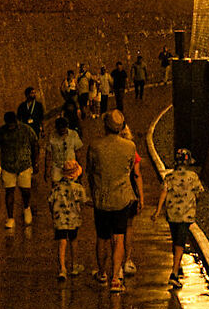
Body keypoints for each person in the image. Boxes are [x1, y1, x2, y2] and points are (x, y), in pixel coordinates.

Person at [87, 109, 142, 292]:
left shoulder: (95, 146)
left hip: (101, 198)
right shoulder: (130, 147)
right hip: (122, 198)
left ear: (105, 126)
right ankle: (116, 278)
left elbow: (90, 171)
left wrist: (94, 191)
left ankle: (102, 272)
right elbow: (130, 169)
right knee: (119, 237)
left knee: (102, 237)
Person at [44, 119, 90, 280]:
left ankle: (62, 268)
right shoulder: (78, 189)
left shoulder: (56, 189)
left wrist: (53, 213)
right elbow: (83, 201)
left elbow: (50, 201)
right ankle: (74, 265)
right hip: (73, 219)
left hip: (60, 219)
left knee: (62, 241)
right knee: (74, 240)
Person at [156, 149, 204, 286]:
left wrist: (158, 210)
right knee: (180, 242)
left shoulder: (169, 177)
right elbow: (199, 193)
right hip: (186, 214)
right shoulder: (193, 177)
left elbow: (164, 192)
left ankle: (177, 265)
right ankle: (174, 273)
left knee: (175, 240)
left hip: (172, 214)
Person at [0, 109, 39, 229]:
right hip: (8, 166)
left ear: (16, 121)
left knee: (25, 191)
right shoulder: (1, 132)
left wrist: (35, 162)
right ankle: (10, 217)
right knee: (9, 192)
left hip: (24, 165)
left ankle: (26, 208)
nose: (10, 126)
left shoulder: (26, 130)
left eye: (12, 124)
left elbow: (35, 144)